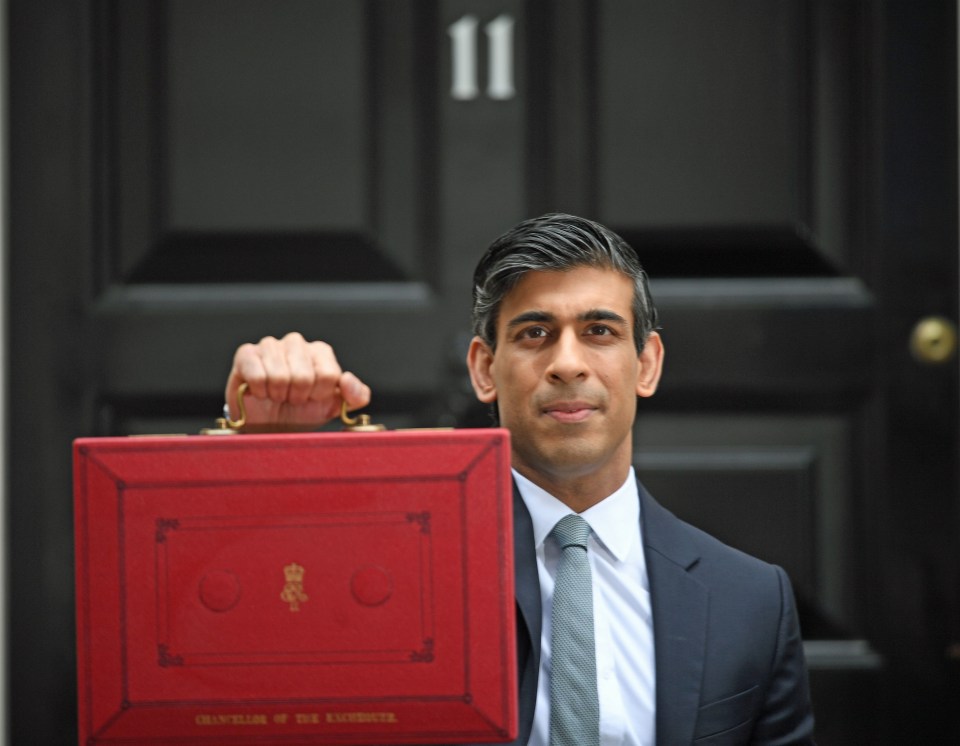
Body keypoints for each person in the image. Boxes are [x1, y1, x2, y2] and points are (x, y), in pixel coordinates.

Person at [226, 214, 815, 745]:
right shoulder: (389, 566)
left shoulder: (752, 601)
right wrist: (268, 457)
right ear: (485, 368)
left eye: (600, 332)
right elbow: (230, 664)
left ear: (648, 364)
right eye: (535, 333)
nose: (566, 362)